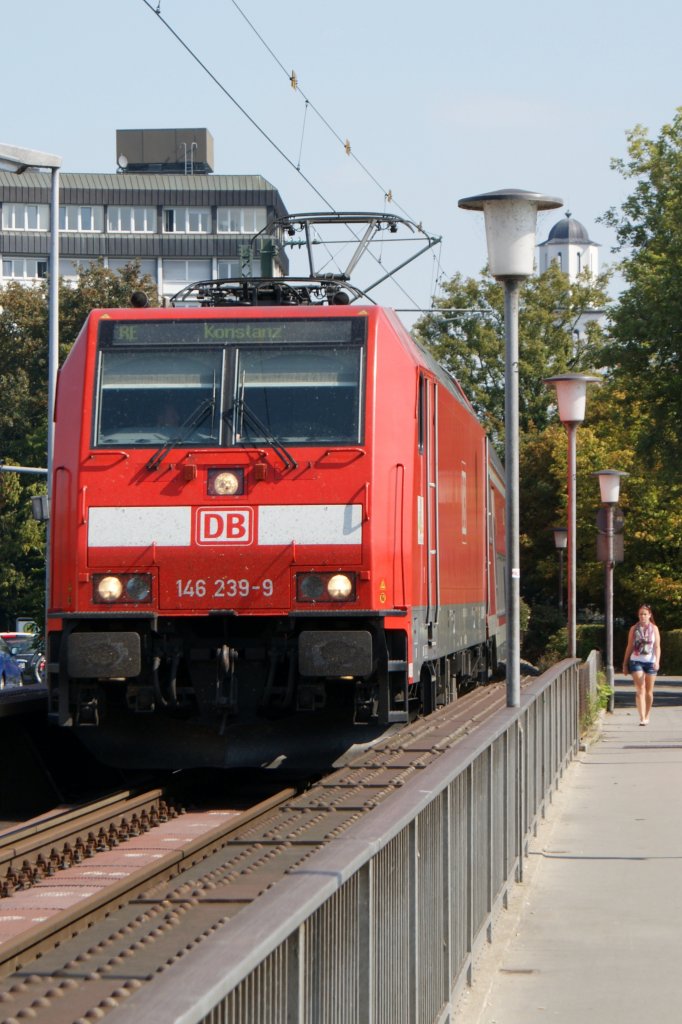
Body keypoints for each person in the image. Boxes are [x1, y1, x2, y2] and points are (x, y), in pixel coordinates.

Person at [622, 604, 661, 725]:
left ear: (649, 615)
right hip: (636, 660)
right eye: (640, 614)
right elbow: (629, 646)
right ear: (638, 616)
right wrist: (625, 663)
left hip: (650, 661)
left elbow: (657, 646)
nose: (643, 616)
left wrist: (657, 661)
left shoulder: (654, 628)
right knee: (640, 688)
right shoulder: (634, 629)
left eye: (645, 614)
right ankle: (642, 717)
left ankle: (647, 714)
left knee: (649, 691)